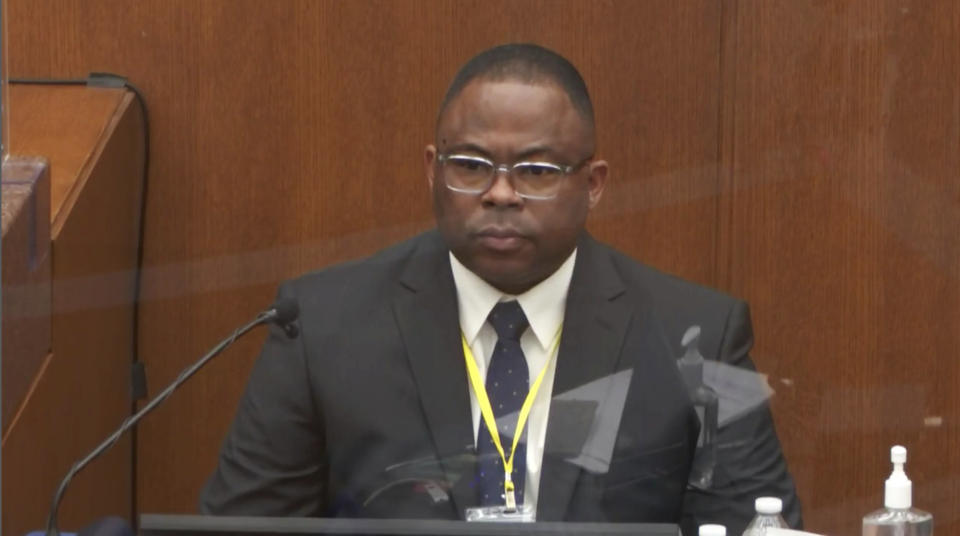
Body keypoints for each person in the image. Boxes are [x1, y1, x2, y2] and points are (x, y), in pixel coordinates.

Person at [200, 43, 802, 535]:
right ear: (433, 171)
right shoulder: (323, 326)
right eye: (471, 165)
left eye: (537, 171)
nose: (501, 193)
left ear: (593, 184)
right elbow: (238, 529)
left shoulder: (695, 335)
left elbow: (758, 526)